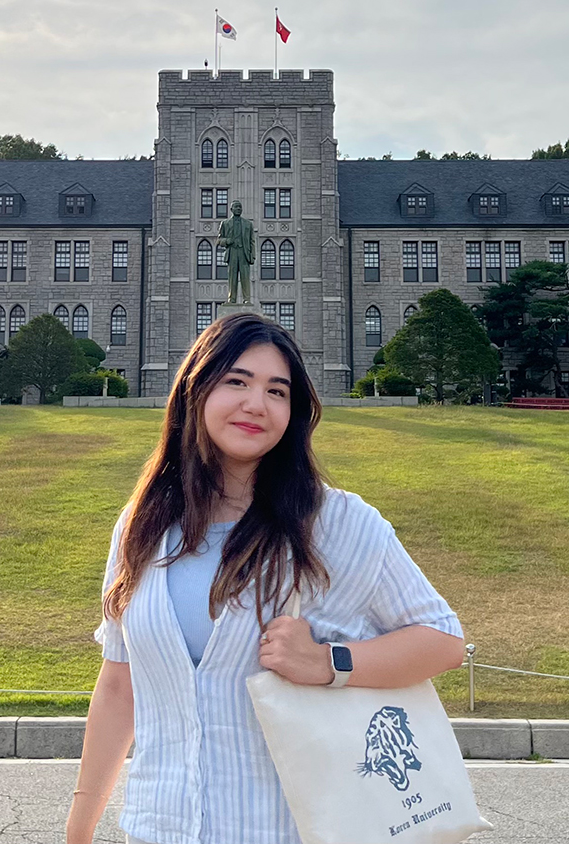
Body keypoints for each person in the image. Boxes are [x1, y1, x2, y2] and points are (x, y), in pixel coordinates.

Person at [66, 313, 467, 844]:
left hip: (287, 829)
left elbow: (442, 640)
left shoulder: (338, 523)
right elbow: (120, 686)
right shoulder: (143, 525)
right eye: (236, 381)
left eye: (277, 391)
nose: (257, 403)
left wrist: (328, 663)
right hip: (158, 826)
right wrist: (80, 828)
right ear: (196, 390)